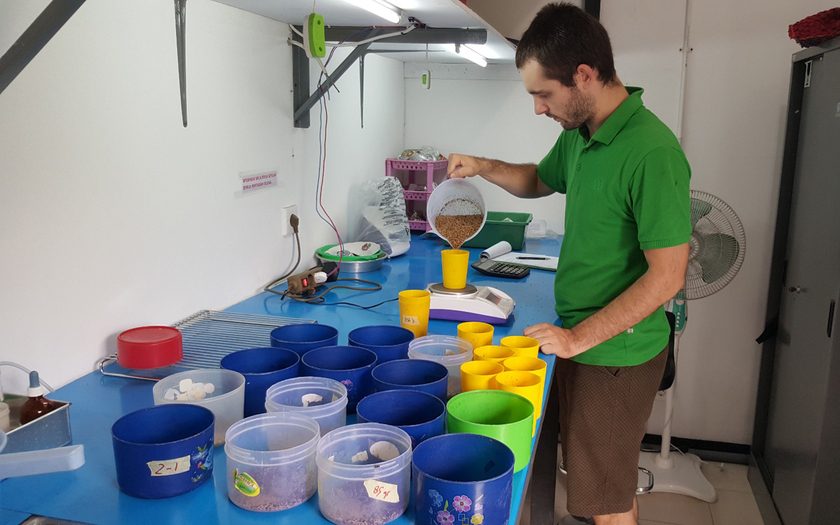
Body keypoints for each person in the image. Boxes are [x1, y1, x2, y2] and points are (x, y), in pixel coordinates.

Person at [447, 3, 691, 524]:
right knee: (587, 482)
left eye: (543, 94)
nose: (538, 108)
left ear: (584, 75)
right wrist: (484, 166)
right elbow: (539, 179)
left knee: (607, 500)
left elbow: (668, 276)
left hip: (616, 354)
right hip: (581, 336)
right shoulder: (582, 134)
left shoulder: (651, 152)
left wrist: (579, 340)